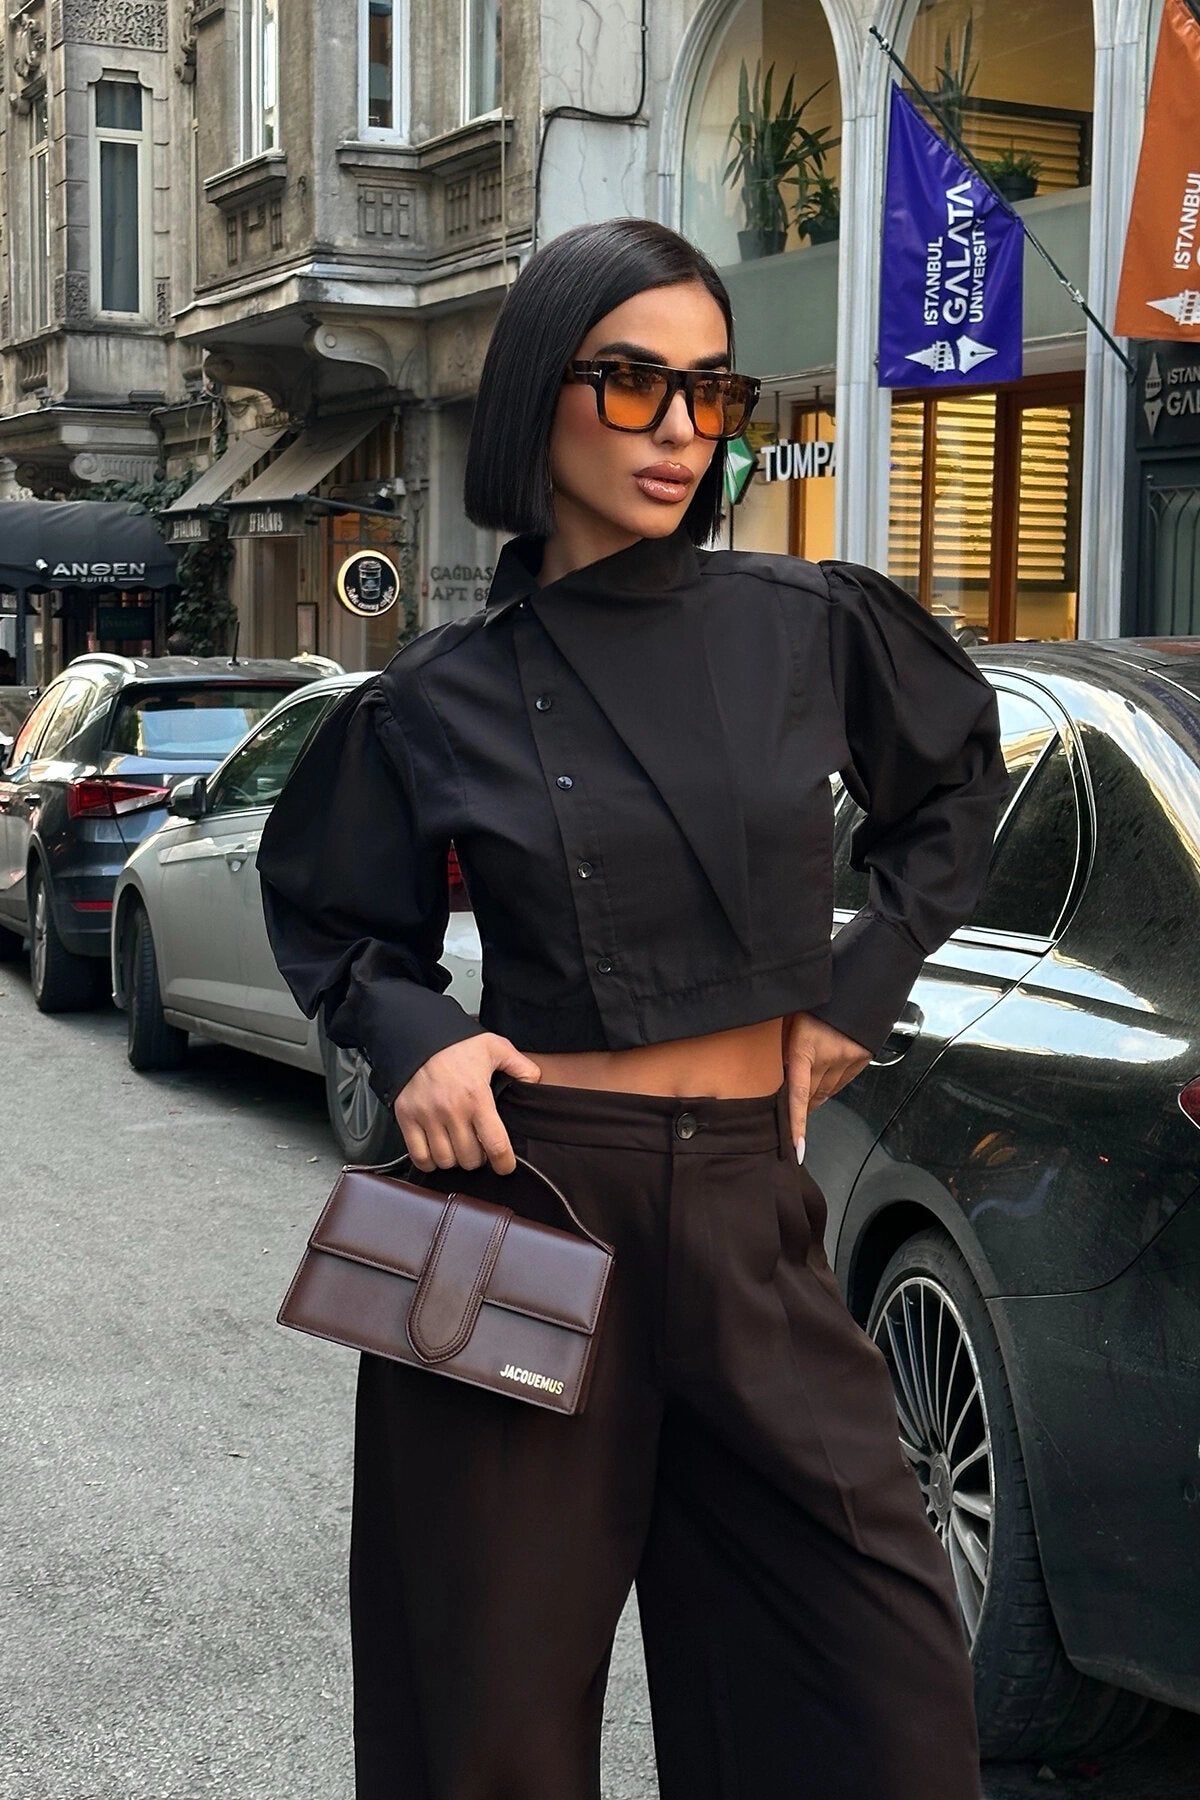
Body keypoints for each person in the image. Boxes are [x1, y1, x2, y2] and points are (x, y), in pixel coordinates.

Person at [258, 218, 1009, 1800]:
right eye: (631, 383)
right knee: (490, 1732)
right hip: (528, 1205)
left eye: (709, 391)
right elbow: (336, 918)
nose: (679, 427)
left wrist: (856, 989)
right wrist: (420, 1043)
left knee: (878, 1704)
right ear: (539, 394)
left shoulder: (806, 623)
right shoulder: (439, 691)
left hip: (748, 1204)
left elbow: (952, 787)